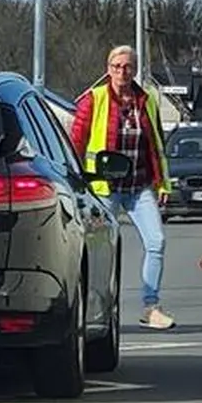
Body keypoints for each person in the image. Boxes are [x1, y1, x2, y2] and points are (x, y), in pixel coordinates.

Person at [71, 44, 175, 329]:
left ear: (135, 70)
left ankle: (150, 306)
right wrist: (76, 181)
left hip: (139, 187)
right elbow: (76, 143)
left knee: (157, 242)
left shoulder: (147, 100)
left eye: (127, 67)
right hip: (105, 189)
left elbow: (156, 146)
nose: (122, 72)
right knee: (100, 250)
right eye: (117, 67)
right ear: (108, 69)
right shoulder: (95, 99)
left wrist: (163, 183)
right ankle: (97, 307)